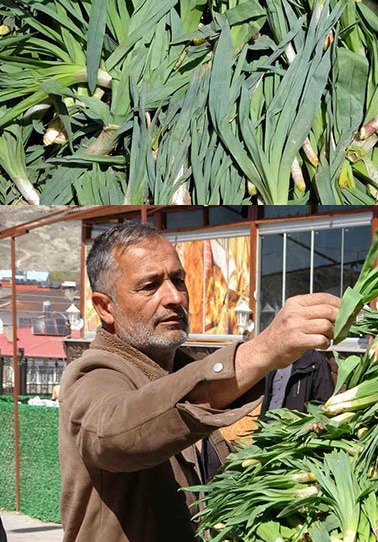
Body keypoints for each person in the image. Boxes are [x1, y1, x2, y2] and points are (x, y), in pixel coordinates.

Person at [59, 222, 343, 542]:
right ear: (104, 307)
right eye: (150, 286)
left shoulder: (182, 374)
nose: (174, 297)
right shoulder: (94, 373)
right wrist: (263, 349)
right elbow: (112, 436)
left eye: (178, 280)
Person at [261, 348, 335, 413]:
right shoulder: (275, 358)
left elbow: (324, 400)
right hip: (268, 424)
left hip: (293, 426)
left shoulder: (314, 361)